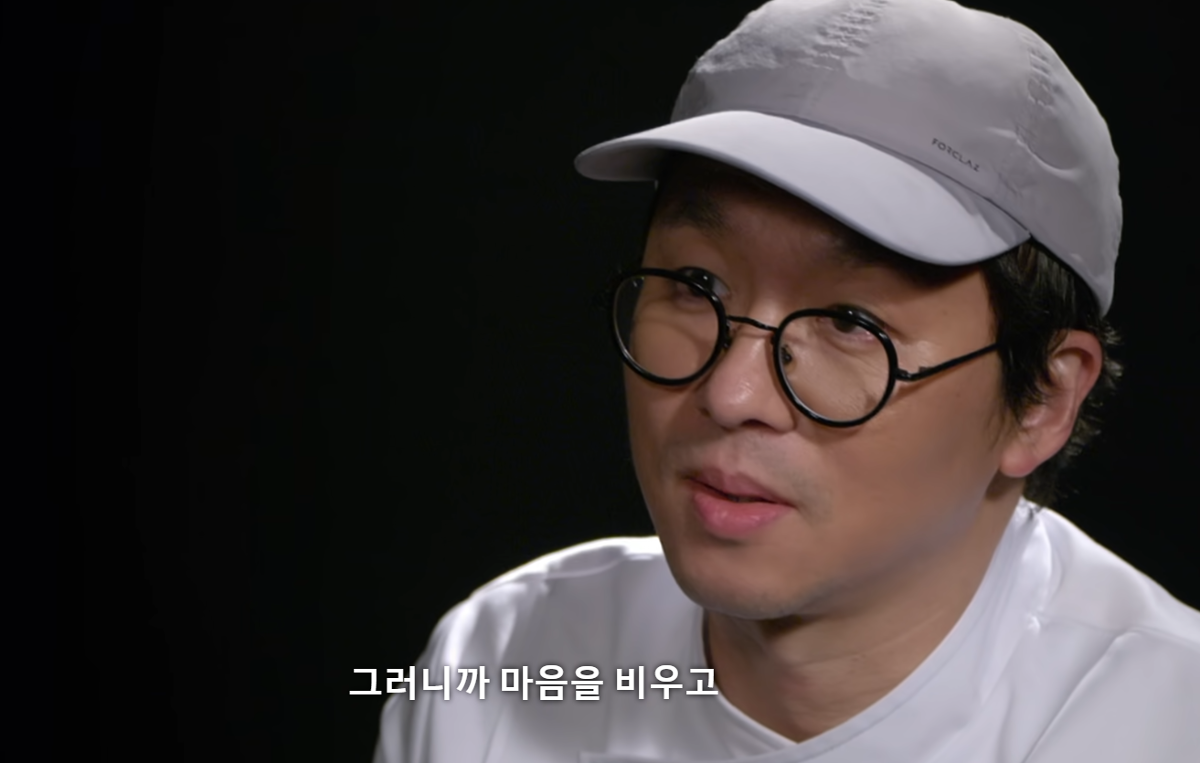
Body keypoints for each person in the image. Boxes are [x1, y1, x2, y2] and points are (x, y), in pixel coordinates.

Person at [373, 0, 1200, 760]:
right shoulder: (501, 667)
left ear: (1043, 399)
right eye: (696, 285)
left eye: (850, 321)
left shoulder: (1164, 721)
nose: (730, 394)